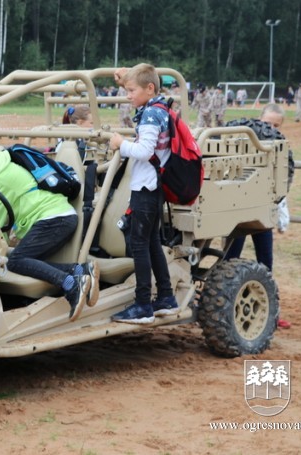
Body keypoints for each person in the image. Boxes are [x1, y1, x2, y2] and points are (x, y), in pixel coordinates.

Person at [0, 135, 99, 321]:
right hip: (58, 216)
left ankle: (72, 285)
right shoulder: (2, 164)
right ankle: (80, 271)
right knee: (22, 258)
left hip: (54, 219)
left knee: (16, 261)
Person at [109, 64, 179, 324]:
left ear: (150, 88)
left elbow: (145, 151)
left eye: (131, 91)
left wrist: (121, 144)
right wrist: (125, 80)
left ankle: (142, 305)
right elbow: (141, 84)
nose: (128, 95)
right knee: (151, 242)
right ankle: (166, 297)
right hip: (154, 185)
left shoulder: (150, 115)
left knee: (139, 244)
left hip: (145, 187)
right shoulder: (158, 108)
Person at [225, 103, 291, 329]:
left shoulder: (279, 150)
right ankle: (221, 310)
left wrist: (282, 213)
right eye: (267, 123)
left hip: (262, 212)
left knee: (266, 262)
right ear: (258, 120)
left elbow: (281, 185)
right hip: (237, 211)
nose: (270, 128)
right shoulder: (241, 143)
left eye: (276, 125)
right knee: (229, 260)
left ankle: (269, 312)